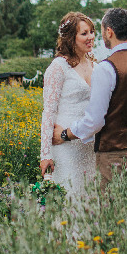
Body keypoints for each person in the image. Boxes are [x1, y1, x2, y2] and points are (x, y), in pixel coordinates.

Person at [53, 7, 127, 192]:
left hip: (112, 157)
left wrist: (64, 134)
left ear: (109, 31)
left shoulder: (106, 68)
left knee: (112, 213)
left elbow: (94, 121)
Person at [39, 12, 97, 198]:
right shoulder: (58, 67)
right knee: (70, 198)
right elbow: (48, 111)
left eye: (92, 32)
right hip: (65, 146)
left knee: (90, 199)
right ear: (71, 38)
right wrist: (45, 154)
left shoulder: (95, 64)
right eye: (84, 33)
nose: (91, 37)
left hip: (89, 145)